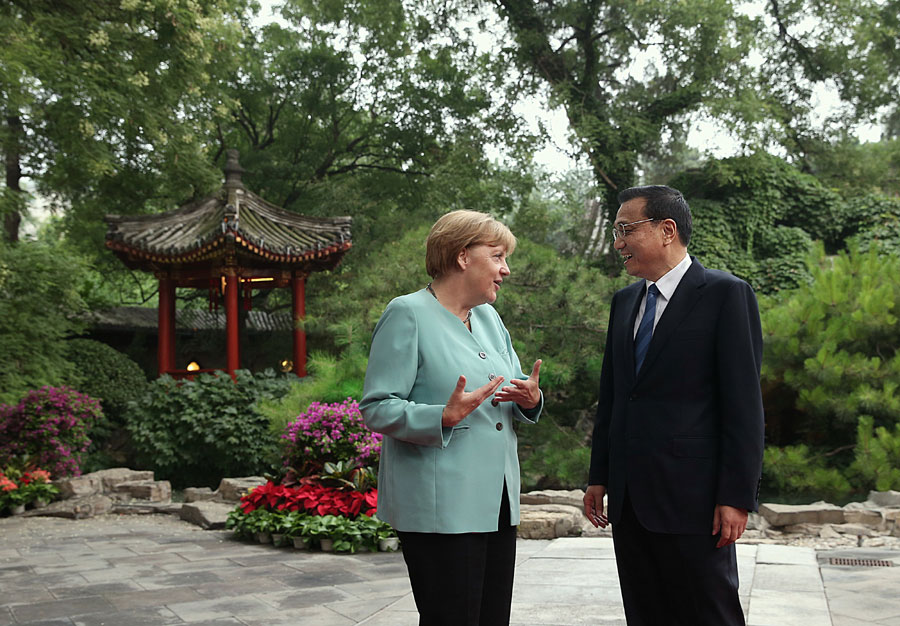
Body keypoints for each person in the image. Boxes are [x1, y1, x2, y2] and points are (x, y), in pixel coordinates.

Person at [583, 185, 764, 625]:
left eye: (626, 229)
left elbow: (743, 406)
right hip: (629, 501)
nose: (618, 242)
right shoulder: (625, 302)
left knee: (709, 612)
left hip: (694, 500)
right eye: (615, 231)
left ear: (667, 230)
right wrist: (600, 474)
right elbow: (614, 395)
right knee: (645, 614)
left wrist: (736, 496)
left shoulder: (725, 294)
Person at [361, 209, 543, 626]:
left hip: (496, 501)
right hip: (439, 508)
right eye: (497, 256)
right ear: (463, 256)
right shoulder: (407, 313)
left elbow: (511, 390)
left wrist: (530, 399)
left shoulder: (490, 318)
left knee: (492, 617)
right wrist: (440, 416)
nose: (506, 269)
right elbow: (376, 406)